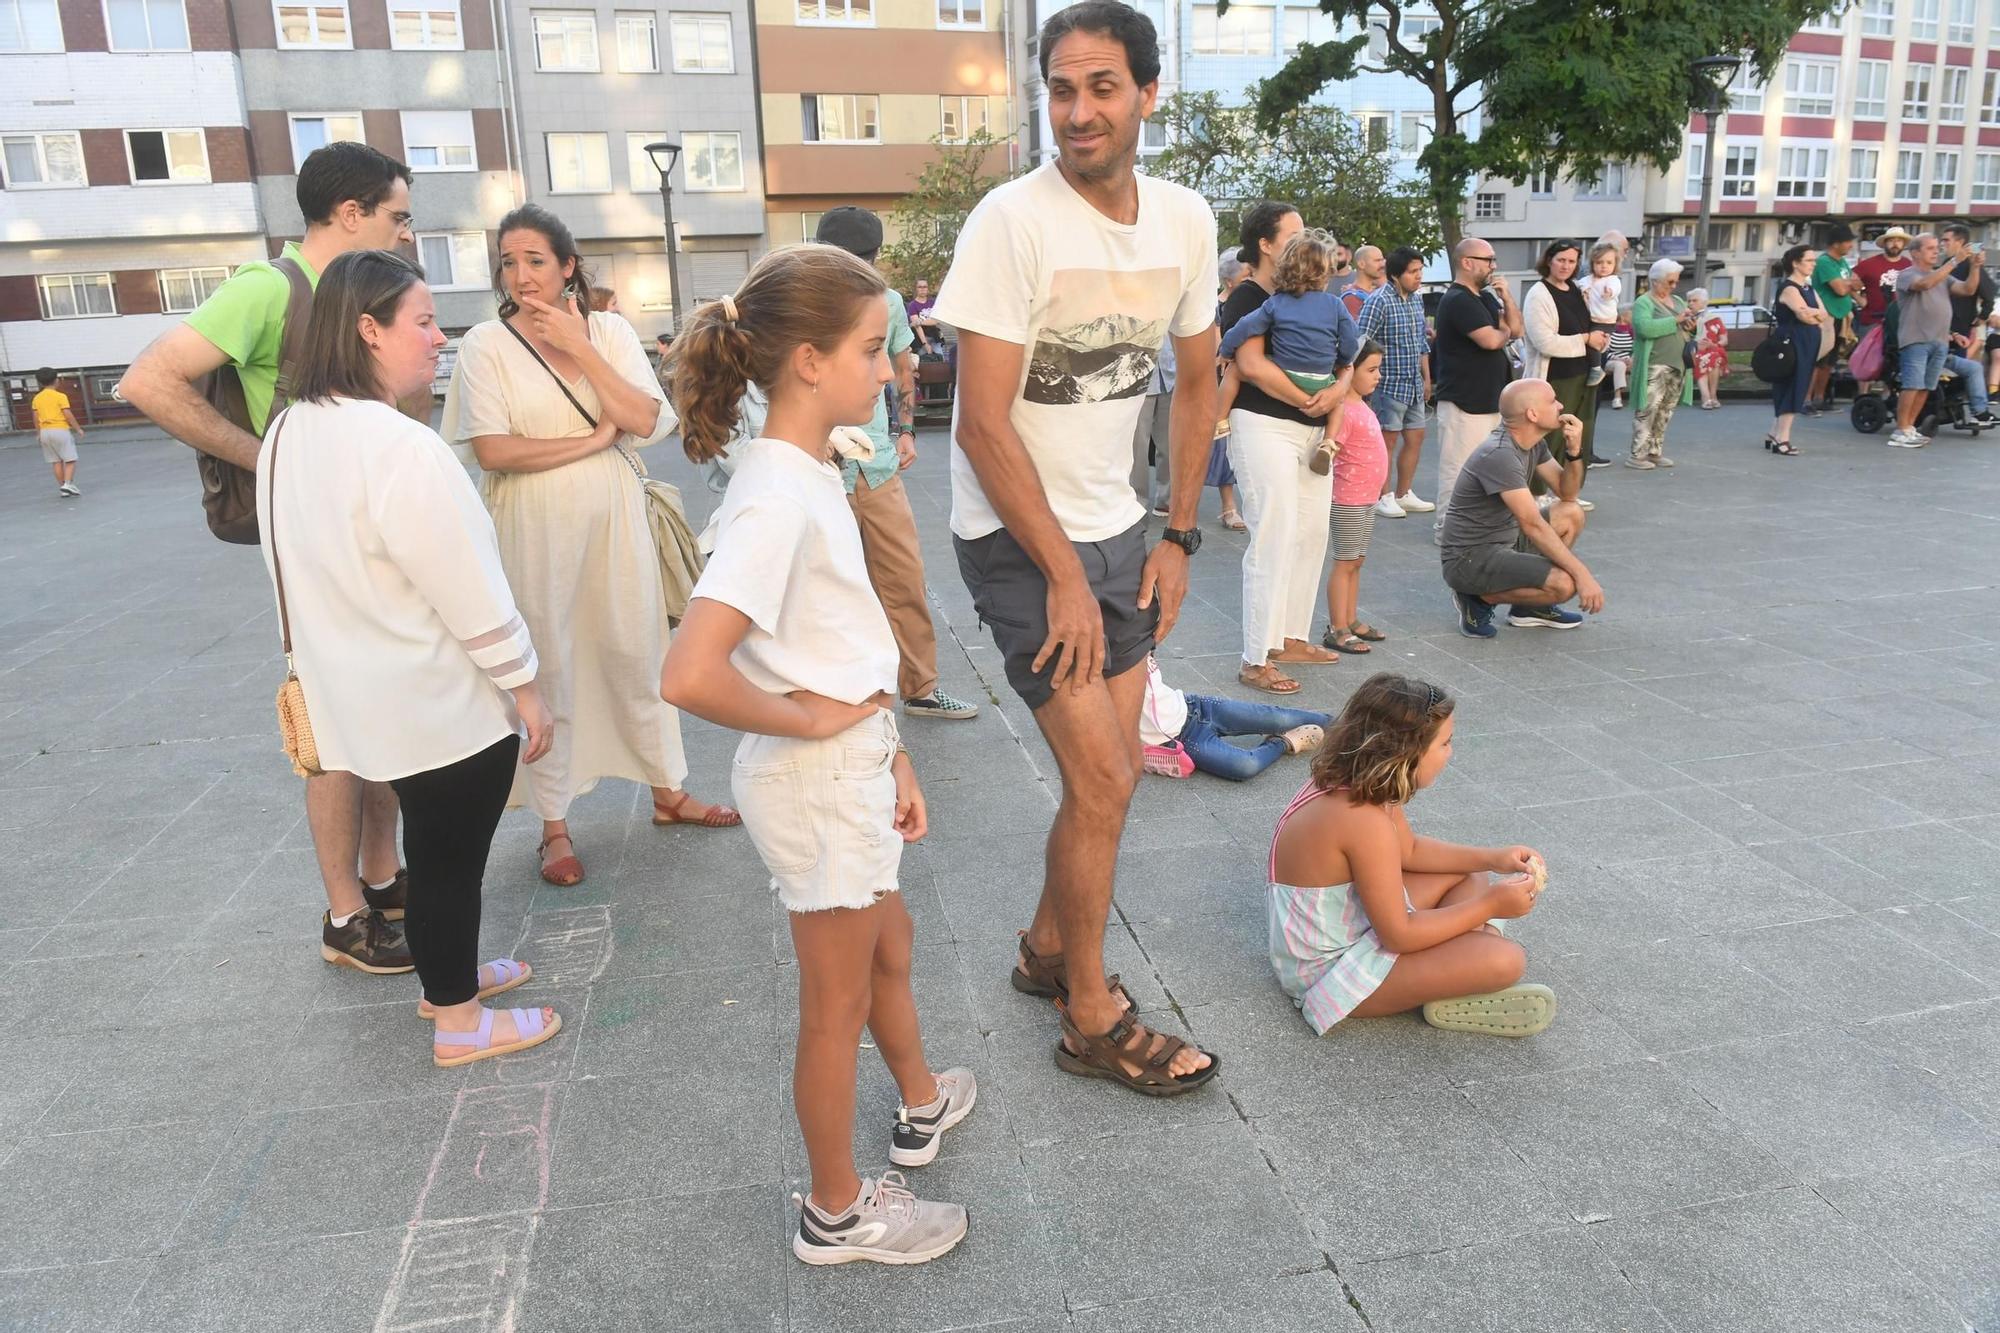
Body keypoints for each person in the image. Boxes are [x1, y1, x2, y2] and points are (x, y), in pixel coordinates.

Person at [660, 245, 973, 1267]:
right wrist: (811, 724)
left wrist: (886, 752)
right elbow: (689, 671)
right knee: (832, 1006)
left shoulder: (801, 471)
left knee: (890, 943)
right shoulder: (775, 496)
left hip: (846, 768)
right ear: (806, 359)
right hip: (813, 776)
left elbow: (831, 647)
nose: (889, 373)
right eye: (873, 350)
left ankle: (919, 1102)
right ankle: (837, 1211)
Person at [938, 0, 1221, 1096]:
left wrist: (1179, 532)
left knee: (1113, 779)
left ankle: (1045, 946)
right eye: (1060, 88)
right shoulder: (1012, 221)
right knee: (1103, 775)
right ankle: (1088, 1013)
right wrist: (1058, 573)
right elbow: (979, 421)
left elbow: (1198, 381)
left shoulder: (1184, 221)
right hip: (1016, 540)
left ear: (1146, 93)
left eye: (1101, 86)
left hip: (1119, 530)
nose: (1078, 110)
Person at [119, 141, 419, 975]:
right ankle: (346, 916)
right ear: (350, 213)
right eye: (396, 217)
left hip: (370, 536)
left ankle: (387, 880)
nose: (404, 236)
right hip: (310, 546)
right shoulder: (265, 288)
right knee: (331, 725)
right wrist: (268, 459)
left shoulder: (361, 289)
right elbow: (149, 381)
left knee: (386, 711)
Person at [256, 249, 561, 1067]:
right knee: (449, 859)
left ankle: (446, 977)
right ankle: (458, 1017)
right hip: (439, 697)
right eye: (422, 322)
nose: (438, 338)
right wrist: (525, 689)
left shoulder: (288, 429)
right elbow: (467, 585)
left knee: (434, 851)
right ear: (367, 329)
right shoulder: (398, 444)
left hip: (359, 693)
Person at [442, 203, 735, 889]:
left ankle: (669, 789)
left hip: (612, 522)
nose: (521, 276)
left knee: (635, 650)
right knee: (549, 665)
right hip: (532, 527)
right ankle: (554, 827)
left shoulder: (606, 330)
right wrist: (591, 442)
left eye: (535, 261)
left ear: (568, 265)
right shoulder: (487, 343)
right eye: (509, 262)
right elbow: (494, 449)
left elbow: (646, 418)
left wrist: (578, 348)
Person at [1267, 673, 1554, 1038]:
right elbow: (1398, 936)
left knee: (1470, 873)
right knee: (1506, 960)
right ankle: (1462, 972)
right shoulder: (1361, 820)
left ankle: (1458, 962)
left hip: (1351, 925)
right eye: (1445, 743)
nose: (1451, 752)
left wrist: (1492, 858)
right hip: (1328, 977)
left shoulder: (1360, 783)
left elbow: (1410, 850)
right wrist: (1491, 907)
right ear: (1406, 753)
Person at [813, 206, 981, 722]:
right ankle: (833, 693)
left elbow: (903, 370)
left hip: (876, 464)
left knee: (903, 579)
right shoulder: (802, 302)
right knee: (824, 588)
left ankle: (921, 688)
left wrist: (906, 430)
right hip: (816, 468)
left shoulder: (886, 302)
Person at [1220, 223, 1353, 692]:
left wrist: (1337, 390)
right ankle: (1255, 657)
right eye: (1293, 230)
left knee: (1312, 533)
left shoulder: (1325, 304)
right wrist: (1306, 397)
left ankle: (1289, 636)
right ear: (1266, 243)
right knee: (1274, 535)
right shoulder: (1251, 297)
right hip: (1265, 426)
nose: (1303, 235)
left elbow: (1347, 359)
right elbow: (1249, 365)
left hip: (1313, 431)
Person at [1441, 378, 1604, 639]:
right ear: (1532, 414)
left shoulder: (1533, 444)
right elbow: (1532, 524)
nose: (1560, 405)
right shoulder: (1500, 454)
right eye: (1553, 401)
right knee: (1565, 584)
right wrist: (1583, 574)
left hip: (1505, 541)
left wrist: (1574, 452)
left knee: (1570, 512)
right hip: (1469, 559)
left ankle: (1529, 608)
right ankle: (1478, 598)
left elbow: (1568, 493)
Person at [1217, 228, 1361, 464]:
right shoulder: (1335, 305)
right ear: (1325, 273)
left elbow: (1245, 327)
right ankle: (1329, 442)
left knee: (1233, 371)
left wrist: (1225, 351)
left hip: (1287, 374)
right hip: (1322, 379)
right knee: (1338, 401)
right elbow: (1350, 342)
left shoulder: (1275, 303)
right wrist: (1342, 362)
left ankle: (1219, 420)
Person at [1431, 236, 1522, 543]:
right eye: (1488, 260)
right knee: (1457, 469)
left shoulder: (1484, 297)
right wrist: (1504, 332)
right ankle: (1446, 529)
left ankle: (1474, 526)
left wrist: (1507, 298)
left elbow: (1516, 329)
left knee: (1486, 467)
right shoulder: (1457, 299)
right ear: (1467, 262)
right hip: (1463, 400)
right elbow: (1491, 340)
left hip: (1488, 399)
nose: (1493, 266)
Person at [1140, 655, 1326, 781]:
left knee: (1280, 718)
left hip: (1196, 706)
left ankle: (1350, 725)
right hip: (1183, 740)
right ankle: (1283, 741)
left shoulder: (1133, 642)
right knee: (1245, 766)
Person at [1521, 239, 1606, 509]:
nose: (1566, 266)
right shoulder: (1539, 293)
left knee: (1579, 434)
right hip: (1554, 376)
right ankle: (1537, 492)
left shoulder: (1576, 289)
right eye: (1561, 260)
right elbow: (1544, 341)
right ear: (1549, 260)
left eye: (1571, 261)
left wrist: (1597, 339)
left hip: (1584, 373)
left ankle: (1567, 491)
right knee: (1549, 435)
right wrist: (1585, 339)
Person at [1322, 341, 1390, 655]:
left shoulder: (1360, 405)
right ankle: (1337, 627)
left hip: (1365, 498)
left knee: (1357, 561)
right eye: (1371, 369)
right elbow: (1331, 448)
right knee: (1345, 562)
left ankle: (1349, 618)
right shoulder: (1345, 410)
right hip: (1348, 499)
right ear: (1349, 371)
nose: (1378, 376)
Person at [1358, 245, 1435, 518]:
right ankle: (1383, 495)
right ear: (1395, 274)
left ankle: (1404, 492)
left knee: (1416, 437)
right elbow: (1362, 341)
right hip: (1388, 384)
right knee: (1386, 441)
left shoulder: (1416, 299)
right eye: (1412, 272)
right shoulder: (1379, 300)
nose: (1418, 277)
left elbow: (1421, 342)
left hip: (1413, 382)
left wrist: (1427, 378)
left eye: (1419, 271)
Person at [1891, 232, 1984, 448]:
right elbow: (1923, 284)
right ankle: (1900, 430)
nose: (1936, 251)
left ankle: (1909, 428)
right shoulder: (1907, 274)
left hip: (1940, 340)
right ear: (1915, 252)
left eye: (1937, 247)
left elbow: (1968, 289)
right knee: (1912, 385)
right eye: (1930, 248)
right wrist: (1954, 261)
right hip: (1916, 339)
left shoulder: (1942, 276)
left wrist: (1975, 266)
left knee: (1926, 386)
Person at [1627, 258, 1694, 470]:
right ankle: (1637, 455)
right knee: (1647, 410)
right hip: (1654, 364)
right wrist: (1675, 321)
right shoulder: (1643, 302)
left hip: (1678, 364)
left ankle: (1655, 452)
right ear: (1655, 281)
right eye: (1670, 282)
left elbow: (1688, 329)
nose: (1674, 286)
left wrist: (1691, 326)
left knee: (1665, 411)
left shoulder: (1679, 302)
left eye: (1675, 282)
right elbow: (1644, 328)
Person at [1767, 246, 1830, 458]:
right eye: (1810, 260)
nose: (1814, 264)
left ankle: (1774, 433)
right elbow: (1804, 315)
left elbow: (1824, 313)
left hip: (1806, 341)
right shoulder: (1790, 288)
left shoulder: (1808, 288)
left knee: (1793, 384)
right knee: (1794, 385)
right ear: (1796, 262)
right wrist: (1812, 314)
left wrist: (1813, 314)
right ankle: (1781, 438)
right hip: (1793, 341)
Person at [1941, 223, 1999, 428]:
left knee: (1959, 372)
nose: (1942, 244)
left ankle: (1972, 411)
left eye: (1947, 240)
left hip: (1960, 328)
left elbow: (1989, 292)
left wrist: (1981, 317)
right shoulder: (1947, 264)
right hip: (1941, 328)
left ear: (1960, 242)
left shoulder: (1970, 264)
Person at [1808, 223, 1860, 413]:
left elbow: (1856, 283)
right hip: (1826, 316)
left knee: (1829, 362)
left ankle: (1819, 399)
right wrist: (1849, 284)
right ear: (1835, 243)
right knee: (1817, 359)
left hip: (1840, 315)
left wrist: (1849, 284)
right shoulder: (1825, 262)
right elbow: (1839, 289)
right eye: (1847, 242)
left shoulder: (1842, 263)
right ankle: (1806, 399)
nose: (1850, 245)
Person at [32, 367, 83, 497]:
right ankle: (67, 484)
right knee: (70, 459)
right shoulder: (60, 396)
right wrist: (78, 428)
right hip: (60, 429)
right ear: (56, 380)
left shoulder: (37, 398)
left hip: (45, 431)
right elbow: (67, 414)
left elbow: (36, 417)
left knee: (56, 461)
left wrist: (38, 433)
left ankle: (63, 488)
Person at [1579, 241, 1622, 390]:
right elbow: (1580, 284)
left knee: (1594, 344)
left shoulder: (1612, 280)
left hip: (1605, 320)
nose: (1604, 266)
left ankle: (1596, 368)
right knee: (1588, 343)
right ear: (1592, 263)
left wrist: (1609, 292)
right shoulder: (1588, 279)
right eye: (1599, 262)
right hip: (1590, 318)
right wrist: (1583, 289)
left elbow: (1615, 289)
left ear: (1615, 264)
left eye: (1609, 262)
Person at [1853, 227, 1913, 332]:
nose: (1895, 244)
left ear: (1903, 244)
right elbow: (1847, 282)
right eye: (1891, 240)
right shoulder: (1869, 264)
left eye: (1899, 240)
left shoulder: (1909, 264)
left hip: (1901, 322)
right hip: (1872, 322)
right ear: (1885, 243)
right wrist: (1859, 299)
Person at [1693, 301, 1729, 409]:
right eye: (1689, 300)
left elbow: (1724, 340)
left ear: (1703, 303)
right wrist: (1696, 344)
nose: (1690, 303)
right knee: (1702, 358)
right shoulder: (1687, 318)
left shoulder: (1715, 319)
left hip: (1713, 350)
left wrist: (1713, 344)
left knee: (1713, 357)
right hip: (1695, 351)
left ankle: (1712, 396)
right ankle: (1706, 396)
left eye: (1694, 300)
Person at [1340, 243, 1385, 321]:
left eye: (1382, 260)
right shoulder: (1351, 298)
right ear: (1361, 264)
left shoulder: (1377, 292)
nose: (1382, 265)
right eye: (1377, 261)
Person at [906, 276, 943, 356]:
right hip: (920, 339)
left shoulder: (933, 303)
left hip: (935, 336)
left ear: (927, 288)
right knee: (923, 361)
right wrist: (925, 344)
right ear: (916, 289)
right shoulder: (912, 305)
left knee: (940, 358)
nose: (922, 289)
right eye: (920, 287)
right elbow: (917, 327)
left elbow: (935, 321)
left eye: (924, 287)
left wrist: (920, 322)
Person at [1604, 317, 1634, 409]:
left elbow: (1636, 349)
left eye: (1625, 321)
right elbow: (1605, 352)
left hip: (1629, 361)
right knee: (1620, 365)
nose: (1621, 323)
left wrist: (1631, 359)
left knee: (1640, 364)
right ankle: (1617, 397)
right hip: (1611, 361)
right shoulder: (1610, 333)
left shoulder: (1633, 333)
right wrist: (1618, 359)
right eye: (1619, 321)